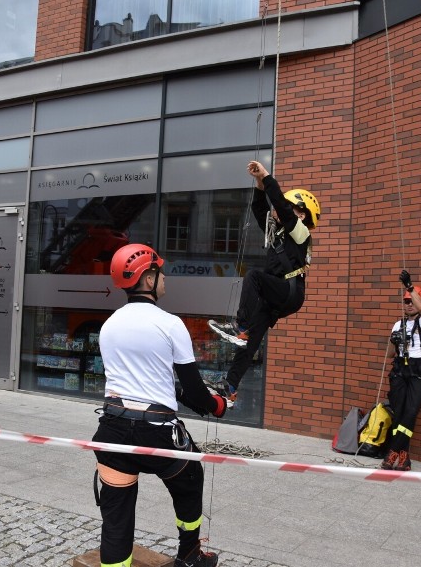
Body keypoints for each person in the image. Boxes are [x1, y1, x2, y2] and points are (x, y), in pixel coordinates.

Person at [92, 243, 233, 567]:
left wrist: (180, 393)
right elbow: (197, 392)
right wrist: (217, 406)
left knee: (116, 520)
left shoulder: (109, 325)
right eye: (160, 271)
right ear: (148, 277)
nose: (165, 277)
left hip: (112, 429)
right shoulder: (170, 324)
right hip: (157, 433)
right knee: (191, 477)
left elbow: (146, 381)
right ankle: (189, 555)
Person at [211, 160, 319, 399]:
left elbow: (278, 202)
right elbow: (259, 210)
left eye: (290, 209)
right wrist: (259, 185)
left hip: (290, 290)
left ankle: (239, 325)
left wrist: (267, 176)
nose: (281, 211)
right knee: (250, 341)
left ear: (301, 214)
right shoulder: (277, 233)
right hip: (276, 295)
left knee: (253, 277)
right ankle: (229, 387)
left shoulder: (301, 232)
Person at [381, 270, 421, 471]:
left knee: (411, 413)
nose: (409, 304)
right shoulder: (398, 324)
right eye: (406, 301)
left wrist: (409, 285)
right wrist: (393, 341)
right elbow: (389, 355)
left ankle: (393, 451)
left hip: (418, 370)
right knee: (399, 414)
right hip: (399, 371)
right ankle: (404, 457)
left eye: (412, 300)